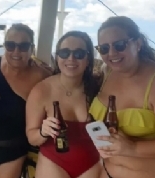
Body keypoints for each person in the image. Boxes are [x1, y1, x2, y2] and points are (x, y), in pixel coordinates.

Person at [89, 16, 155, 178]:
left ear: (138, 43)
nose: (112, 53)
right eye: (104, 49)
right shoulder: (108, 72)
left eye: (120, 45)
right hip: (106, 171)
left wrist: (133, 147)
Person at [0, 23, 51, 178]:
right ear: (4, 46)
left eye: (23, 46)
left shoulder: (42, 78)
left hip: (12, 155)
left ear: (32, 48)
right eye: (10, 45)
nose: (16, 51)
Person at [25, 31, 101, 178]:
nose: (71, 58)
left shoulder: (99, 87)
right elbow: (31, 137)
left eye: (79, 54)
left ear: (88, 59)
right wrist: (42, 131)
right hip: (53, 162)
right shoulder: (42, 90)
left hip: (93, 164)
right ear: (57, 57)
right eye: (64, 53)